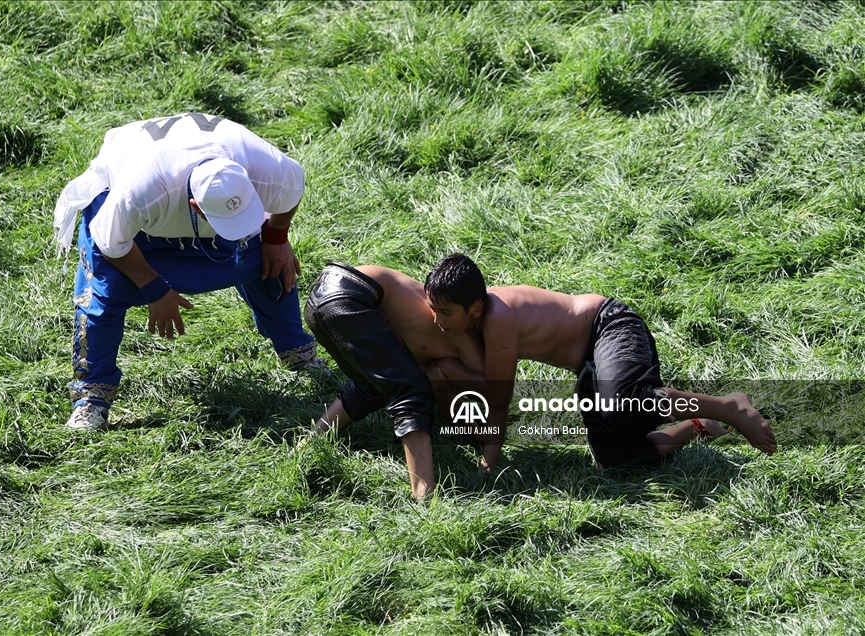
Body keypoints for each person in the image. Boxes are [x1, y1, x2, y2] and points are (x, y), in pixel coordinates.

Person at [53, 113, 319, 430]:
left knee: (271, 261)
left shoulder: (264, 166)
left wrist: (276, 238)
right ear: (196, 207)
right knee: (103, 295)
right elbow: (110, 242)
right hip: (128, 219)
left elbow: (293, 186)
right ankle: (91, 399)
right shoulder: (141, 190)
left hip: (188, 198)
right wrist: (154, 289)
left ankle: (297, 353)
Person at [423, 253, 777, 472]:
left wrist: (489, 461)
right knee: (616, 457)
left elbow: (498, 400)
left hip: (608, 327)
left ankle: (727, 407)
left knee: (621, 403)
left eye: (445, 312)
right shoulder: (475, 320)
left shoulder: (498, 319)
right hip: (589, 364)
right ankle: (697, 426)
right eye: (433, 309)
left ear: (475, 308)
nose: (438, 320)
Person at [302, 262, 485, 500]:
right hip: (350, 293)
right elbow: (480, 392)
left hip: (320, 296)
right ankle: (424, 496)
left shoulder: (449, 329)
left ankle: (308, 444)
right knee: (411, 388)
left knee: (374, 385)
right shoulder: (463, 339)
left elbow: (457, 406)